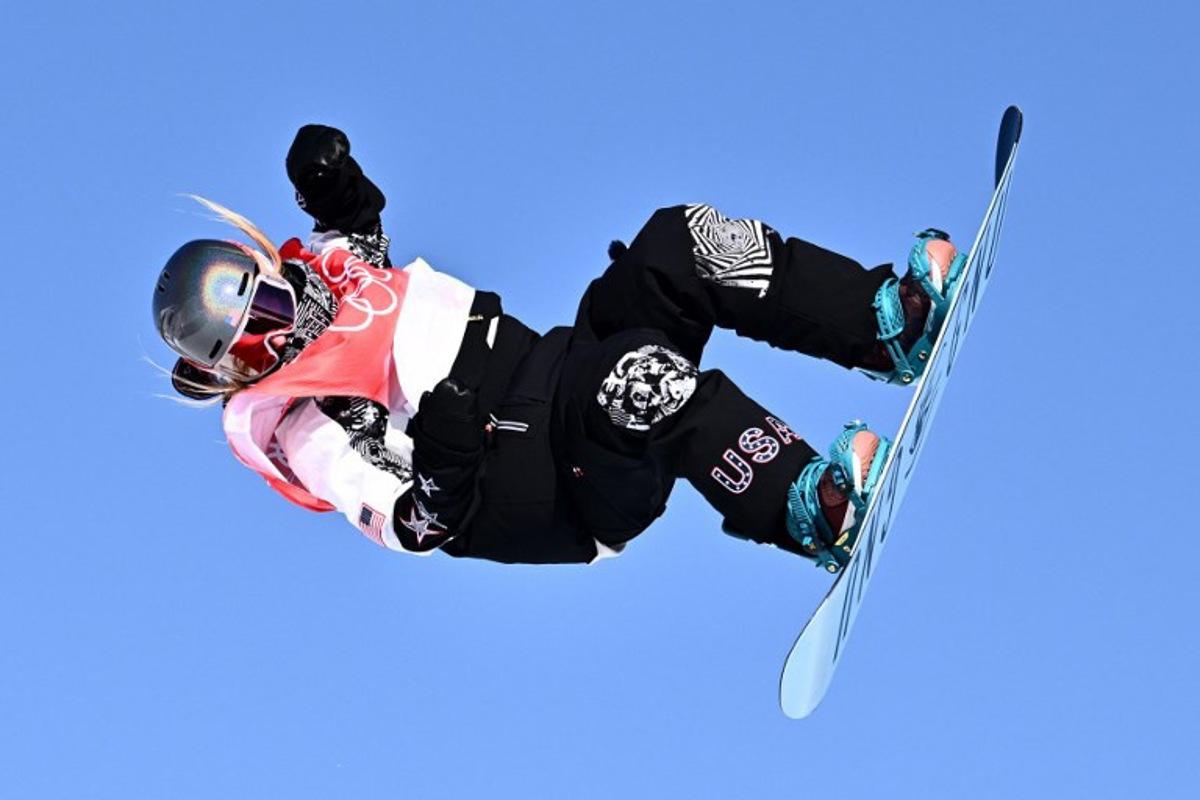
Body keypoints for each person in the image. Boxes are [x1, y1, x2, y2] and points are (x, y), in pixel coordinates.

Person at [151, 125, 965, 572]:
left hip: (556, 368)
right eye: (251, 330)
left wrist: (330, 179)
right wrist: (444, 454)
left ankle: (884, 320)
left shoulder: (329, 276)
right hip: (538, 476)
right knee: (639, 381)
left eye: (257, 286)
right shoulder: (306, 423)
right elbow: (414, 523)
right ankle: (809, 509)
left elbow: (357, 223)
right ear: (230, 368)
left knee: (674, 247)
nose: (274, 316)